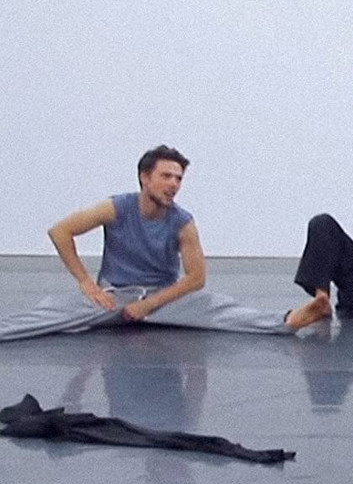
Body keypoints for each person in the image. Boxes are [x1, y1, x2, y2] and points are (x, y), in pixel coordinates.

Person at [0, 146, 330, 342]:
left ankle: (288, 320)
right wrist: (87, 283)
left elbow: (196, 278)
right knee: (52, 317)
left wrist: (148, 307)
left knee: (218, 309)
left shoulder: (182, 222)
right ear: (145, 177)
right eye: (166, 176)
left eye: (179, 178)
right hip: (115, 296)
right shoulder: (117, 207)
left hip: (162, 299)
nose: (173, 184)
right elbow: (60, 231)